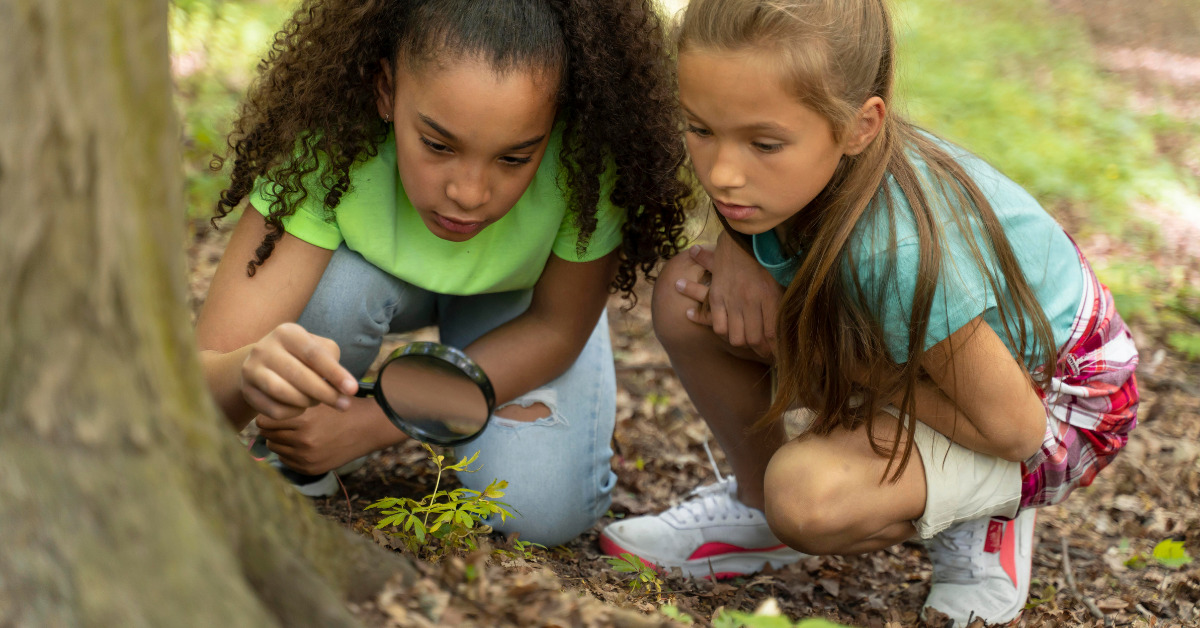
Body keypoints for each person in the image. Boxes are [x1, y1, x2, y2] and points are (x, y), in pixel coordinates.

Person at [600, 0, 1139, 624]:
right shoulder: (796, 173)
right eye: (700, 129)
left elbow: (1018, 430)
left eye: (764, 143)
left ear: (860, 126)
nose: (722, 174)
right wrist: (735, 242)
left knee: (806, 498)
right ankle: (754, 511)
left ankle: (987, 517)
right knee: (688, 295)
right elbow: (742, 185)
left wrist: (822, 355)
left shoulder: (896, 251)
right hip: (931, 361)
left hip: (1054, 401)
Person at [195, 0, 691, 548]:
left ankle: (375, 424)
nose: (468, 194)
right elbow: (200, 380)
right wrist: (250, 369)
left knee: (540, 509)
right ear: (386, 90)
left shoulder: (589, 159)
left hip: (520, 310)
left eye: (513, 158)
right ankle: (302, 448)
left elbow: (556, 327)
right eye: (437, 144)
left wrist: (373, 425)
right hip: (367, 280)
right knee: (335, 295)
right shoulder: (325, 146)